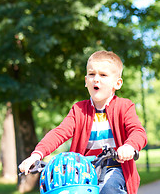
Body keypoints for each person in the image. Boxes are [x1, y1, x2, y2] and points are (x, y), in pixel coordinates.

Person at [19, 50, 147, 194]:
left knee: (108, 189)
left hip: (115, 167)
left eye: (103, 75)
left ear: (117, 83)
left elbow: (138, 131)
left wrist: (129, 146)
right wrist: (36, 155)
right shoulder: (79, 110)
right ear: (86, 81)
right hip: (83, 170)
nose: (96, 79)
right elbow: (59, 133)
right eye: (92, 74)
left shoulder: (124, 106)